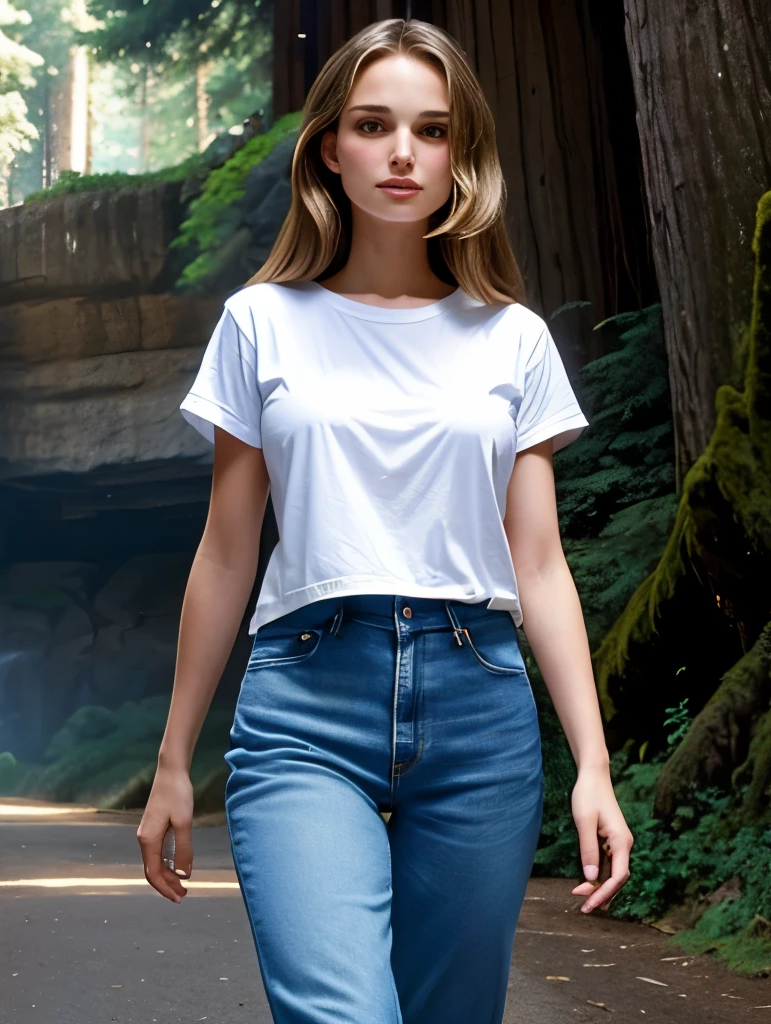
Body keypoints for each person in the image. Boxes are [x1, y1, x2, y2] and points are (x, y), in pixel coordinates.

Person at [137, 17, 634, 1024]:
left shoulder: (512, 340)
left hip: (478, 704)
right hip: (304, 702)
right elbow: (228, 554)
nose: (403, 153)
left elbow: (537, 565)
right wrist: (170, 759)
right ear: (329, 145)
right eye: (373, 124)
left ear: (463, 155)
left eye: (432, 130)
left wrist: (593, 762)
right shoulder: (260, 322)